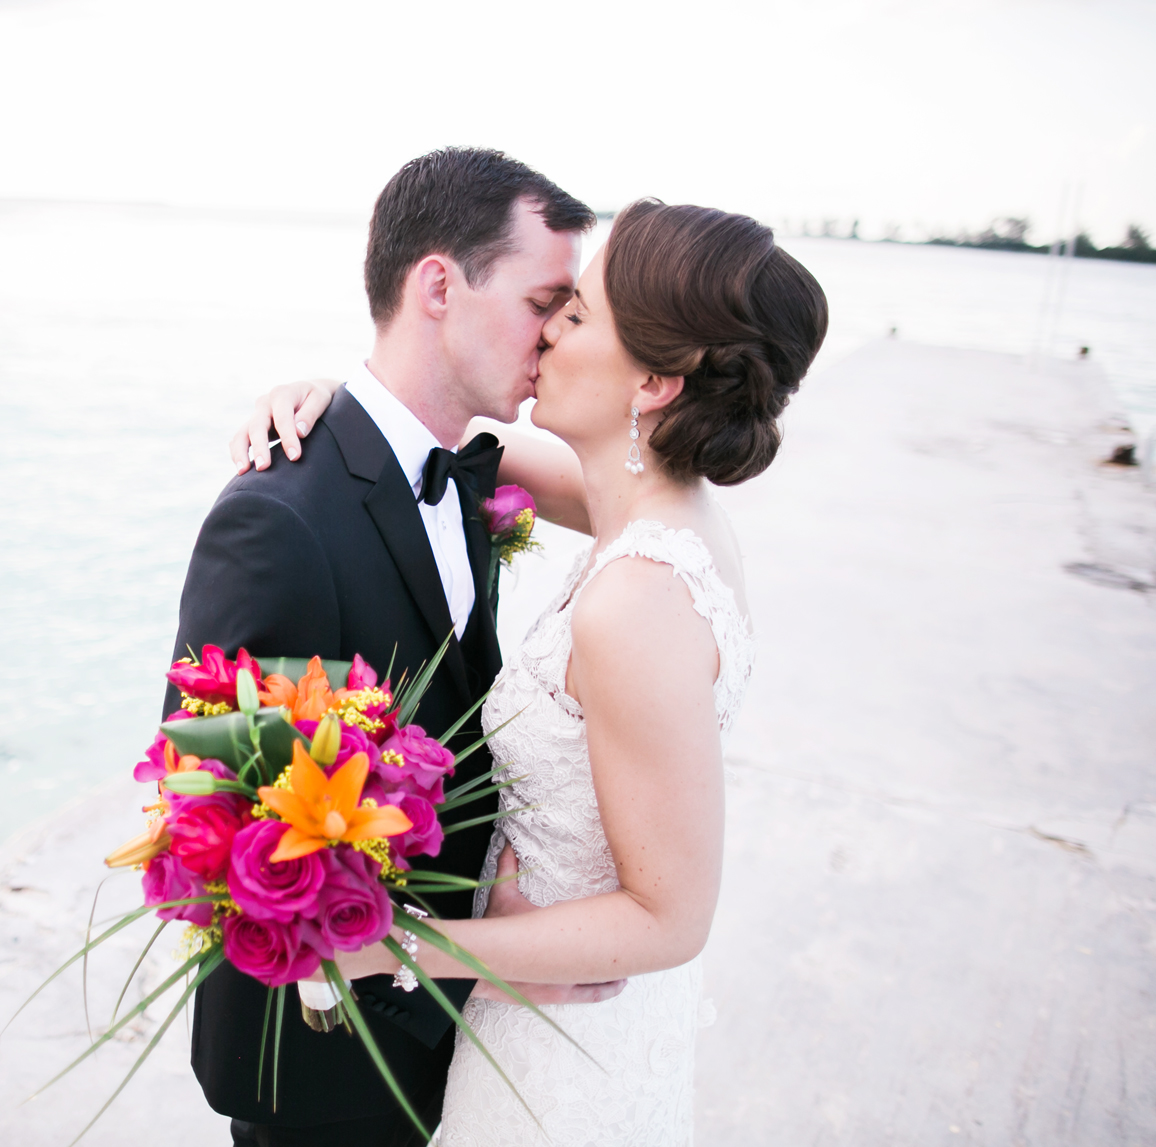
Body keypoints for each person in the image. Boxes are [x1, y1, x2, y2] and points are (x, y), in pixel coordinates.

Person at [235, 198, 828, 1143]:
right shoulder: (666, 520)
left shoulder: (638, 599)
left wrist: (403, 947)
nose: (549, 329)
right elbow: (439, 445)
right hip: (552, 1018)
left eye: (579, 314)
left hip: (561, 1046)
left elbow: (670, 918)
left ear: (657, 385)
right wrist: (328, 394)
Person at [170, 147, 605, 1147]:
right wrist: (482, 960)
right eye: (546, 300)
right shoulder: (277, 519)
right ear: (439, 285)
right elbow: (231, 851)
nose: (557, 336)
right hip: (332, 1064)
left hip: (457, 1046)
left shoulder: (469, 473)